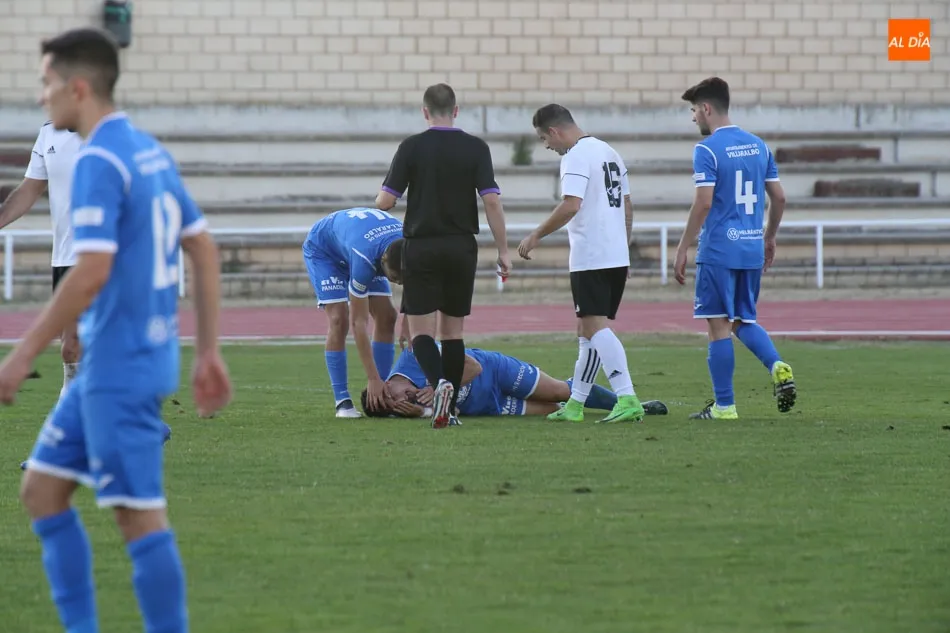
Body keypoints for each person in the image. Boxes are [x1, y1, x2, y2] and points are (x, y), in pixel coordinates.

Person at [0, 27, 231, 633]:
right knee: (42, 491)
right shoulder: (146, 149)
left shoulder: (98, 159)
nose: (42, 96)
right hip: (124, 360)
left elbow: (91, 270)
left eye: (47, 83)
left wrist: (23, 353)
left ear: (77, 87)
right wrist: (207, 351)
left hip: (120, 367)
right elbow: (202, 247)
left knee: (139, 518)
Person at [374, 82, 511, 429]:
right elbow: (492, 201)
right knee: (453, 333)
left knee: (421, 332)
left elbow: (386, 201)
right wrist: (504, 250)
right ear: (456, 111)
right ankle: (448, 407)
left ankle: (440, 387)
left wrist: (385, 198)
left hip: (421, 247)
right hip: (461, 247)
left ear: (424, 112)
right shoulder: (476, 147)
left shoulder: (411, 147)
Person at [672, 77, 796, 420]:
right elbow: (779, 197)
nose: (693, 117)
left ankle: (725, 406)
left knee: (718, 326)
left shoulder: (707, 149)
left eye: (694, 110)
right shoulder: (759, 146)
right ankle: (777, 365)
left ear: (706, 108)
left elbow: (703, 203)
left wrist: (683, 246)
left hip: (719, 250)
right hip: (751, 248)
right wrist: (769, 237)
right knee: (743, 319)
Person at [517, 104, 645, 425]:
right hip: (614, 254)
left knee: (595, 327)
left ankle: (627, 397)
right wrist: (623, 248)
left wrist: (536, 235)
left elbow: (571, 205)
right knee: (586, 330)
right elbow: (627, 206)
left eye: (544, 139)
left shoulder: (575, 155)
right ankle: (575, 404)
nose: (547, 146)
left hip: (591, 255)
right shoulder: (609, 152)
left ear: (554, 131)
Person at [360, 346, 669, 420]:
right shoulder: (410, 406)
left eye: (395, 397)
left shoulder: (415, 355)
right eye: (394, 408)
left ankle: (631, 405)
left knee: (562, 391)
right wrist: (422, 413)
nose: (404, 401)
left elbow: (473, 367)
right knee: (553, 410)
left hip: (494, 371)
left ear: (385, 384)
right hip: (486, 405)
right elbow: (450, 413)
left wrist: (437, 388)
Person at [0, 122, 82, 397]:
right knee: (71, 348)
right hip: (65, 256)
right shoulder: (48, 133)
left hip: (102, 254)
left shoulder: (107, 129)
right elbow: (30, 189)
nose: (45, 101)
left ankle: (71, 413)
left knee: (85, 343)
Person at [302, 207, 401, 418]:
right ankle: (342, 401)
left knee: (388, 316)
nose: (398, 283)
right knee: (340, 319)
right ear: (383, 262)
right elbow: (359, 323)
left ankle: (381, 396)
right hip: (325, 251)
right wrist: (372, 378)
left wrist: (409, 326)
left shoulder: (412, 248)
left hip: (361, 242)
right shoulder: (365, 259)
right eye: (394, 278)